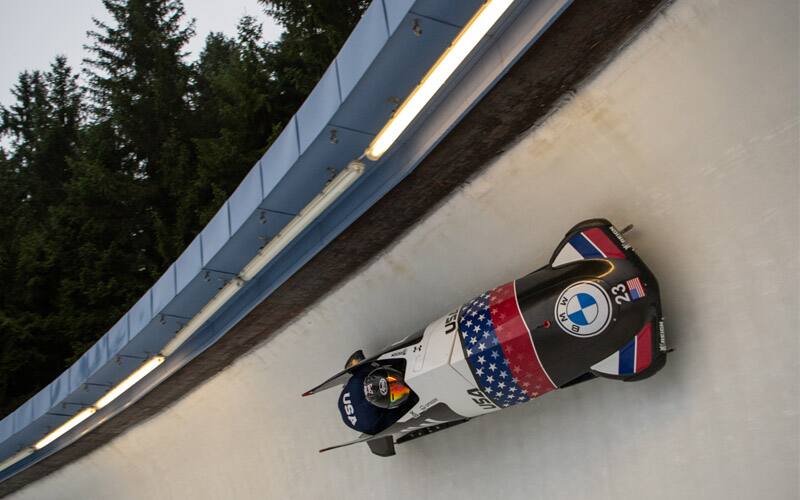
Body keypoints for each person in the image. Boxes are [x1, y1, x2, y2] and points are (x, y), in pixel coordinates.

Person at [337, 364, 417, 435]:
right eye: (397, 392)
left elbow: (371, 368)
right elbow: (398, 416)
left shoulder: (357, 380)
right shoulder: (370, 422)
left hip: (351, 396)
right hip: (367, 424)